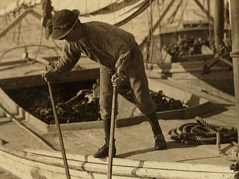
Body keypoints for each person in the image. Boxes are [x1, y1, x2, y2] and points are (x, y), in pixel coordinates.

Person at [42, 9, 166, 158]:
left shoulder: (96, 33)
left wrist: (120, 72)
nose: (66, 40)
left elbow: (123, 50)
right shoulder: (73, 40)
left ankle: (158, 134)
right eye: (63, 38)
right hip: (107, 62)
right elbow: (68, 59)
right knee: (105, 100)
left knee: (141, 98)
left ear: (76, 27)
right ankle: (109, 145)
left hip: (129, 55)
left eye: (67, 36)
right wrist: (55, 72)